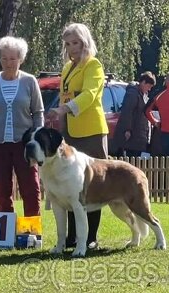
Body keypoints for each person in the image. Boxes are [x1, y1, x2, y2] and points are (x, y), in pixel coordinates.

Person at [46, 23, 108, 250]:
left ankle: (90, 237)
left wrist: (66, 107)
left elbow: (90, 95)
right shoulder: (67, 68)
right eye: (68, 44)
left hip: (92, 131)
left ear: (85, 41)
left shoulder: (93, 65)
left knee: (93, 185)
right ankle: (72, 237)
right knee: (70, 187)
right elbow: (65, 95)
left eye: (76, 43)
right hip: (70, 132)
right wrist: (57, 114)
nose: (72, 48)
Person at [0, 36, 44, 217]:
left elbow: (38, 113)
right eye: (4, 58)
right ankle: (6, 231)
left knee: (30, 187)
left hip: (24, 145)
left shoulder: (30, 81)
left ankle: (31, 231)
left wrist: (36, 143)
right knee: (1, 188)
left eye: (13, 58)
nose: (9, 63)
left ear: (21, 59)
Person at [113, 71, 156, 157]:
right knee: (132, 160)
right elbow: (127, 112)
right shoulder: (132, 94)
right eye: (149, 86)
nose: (149, 89)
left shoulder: (142, 94)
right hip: (132, 137)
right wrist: (127, 130)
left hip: (138, 136)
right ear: (143, 82)